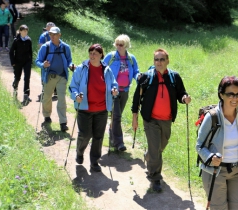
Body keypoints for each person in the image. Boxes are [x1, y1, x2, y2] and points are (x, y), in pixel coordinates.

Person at [196, 76, 238, 209]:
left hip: (237, 171)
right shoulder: (212, 117)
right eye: (230, 94)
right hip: (215, 171)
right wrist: (211, 157)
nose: (235, 98)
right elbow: (199, 145)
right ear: (221, 95)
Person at [131, 48, 191, 192]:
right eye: (156, 59)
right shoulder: (146, 77)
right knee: (156, 149)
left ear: (167, 61)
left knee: (159, 147)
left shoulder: (174, 77)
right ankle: (155, 177)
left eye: (162, 59)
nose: (159, 62)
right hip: (150, 120)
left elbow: (181, 93)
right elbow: (136, 100)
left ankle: (149, 157)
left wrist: (185, 98)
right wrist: (135, 119)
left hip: (167, 120)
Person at [69, 44, 118, 172]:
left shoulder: (106, 70)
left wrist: (114, 89)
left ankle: (94, 162)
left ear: (101, 55)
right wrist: (76, 96)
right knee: (85, 135)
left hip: (102, 109)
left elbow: (114, 83)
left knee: (98, 136)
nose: (92, 55)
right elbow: (73, 86)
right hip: (84, 108)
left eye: (95, 53)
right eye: (91, 53)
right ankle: (80, 152)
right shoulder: (81, 68)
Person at [103, 34, 140, 151]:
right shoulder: (111, 56)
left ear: (126, 45)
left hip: (125, 91)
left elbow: (136, 71)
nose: (118, 46)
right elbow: (101, 69)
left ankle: (112, 135)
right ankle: (119, 143)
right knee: (117, 116)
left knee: (116, 117)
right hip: (112, 91)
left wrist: (138, 77)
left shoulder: (131, 58)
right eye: (117, 44)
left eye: (121, 44)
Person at [35, 26, 73, 132]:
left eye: (54, 34)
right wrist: (43, 64)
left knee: (61, 99)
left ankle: (63, 122)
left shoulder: (66, 47)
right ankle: (47, 117)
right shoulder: (45, 47)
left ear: (59, 35)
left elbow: (69, 60)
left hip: (62, 76)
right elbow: (37, 61)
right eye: (51, 34)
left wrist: (71, 66)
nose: (52, 36)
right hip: (49, 77)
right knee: (47, 97)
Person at [9, 24, 33, 105]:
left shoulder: (29, 40)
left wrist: (31, 61)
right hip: (18, 62)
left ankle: (26, 95)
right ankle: (15, 89)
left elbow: (30, 52)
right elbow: (11, 52)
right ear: (20, 31)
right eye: (24, 31)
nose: (25, 32)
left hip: (27, 61)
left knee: (27, 78)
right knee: (17, 77)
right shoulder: (16, 41)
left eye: (26, 31)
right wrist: (13, 62)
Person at [37, 22, 58, 101]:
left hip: (55, 58)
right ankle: (44, 89)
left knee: (55, 73)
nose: (50, 30)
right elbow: (40, 45)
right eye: (48, 28)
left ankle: (55, 91)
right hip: (45, 58)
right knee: (44, 73)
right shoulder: (43, 36)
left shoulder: (56, 36)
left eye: (51, 28)